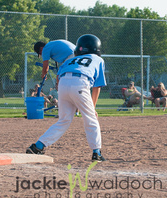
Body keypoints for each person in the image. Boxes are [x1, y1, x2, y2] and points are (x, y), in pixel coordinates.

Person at [26, 34, 107, 162]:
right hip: (80, 83)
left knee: (63, 120)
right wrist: (93, 107)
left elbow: (59, 76)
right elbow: (97, 87)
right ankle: (96, 152)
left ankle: (38, 146)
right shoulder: (98, 60)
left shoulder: (70, 60)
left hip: (63, 84)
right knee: (91, 118)